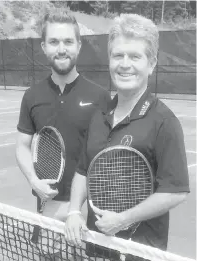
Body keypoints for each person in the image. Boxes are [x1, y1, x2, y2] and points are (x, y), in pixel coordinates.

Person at [65, 13, 190, 261]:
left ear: (151, 64)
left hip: (139, 253)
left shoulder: (164, 122)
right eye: (118, 55)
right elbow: (83, 170)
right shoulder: (99, 115)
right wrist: (73, 212)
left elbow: (175, 191)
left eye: (135, 57)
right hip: (98, 247)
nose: (125, 64)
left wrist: (123, 219)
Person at [15, 9, 111, 249]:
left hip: (86, 210)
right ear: (44, 47)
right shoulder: (31, 96)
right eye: (54, 42)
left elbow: (106, 156)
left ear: (79, 45)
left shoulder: (100, 97)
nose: (61, 49)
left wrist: (80, 207)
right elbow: (22, 147)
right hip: (49, 205)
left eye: (68, 41)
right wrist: (34, 181)